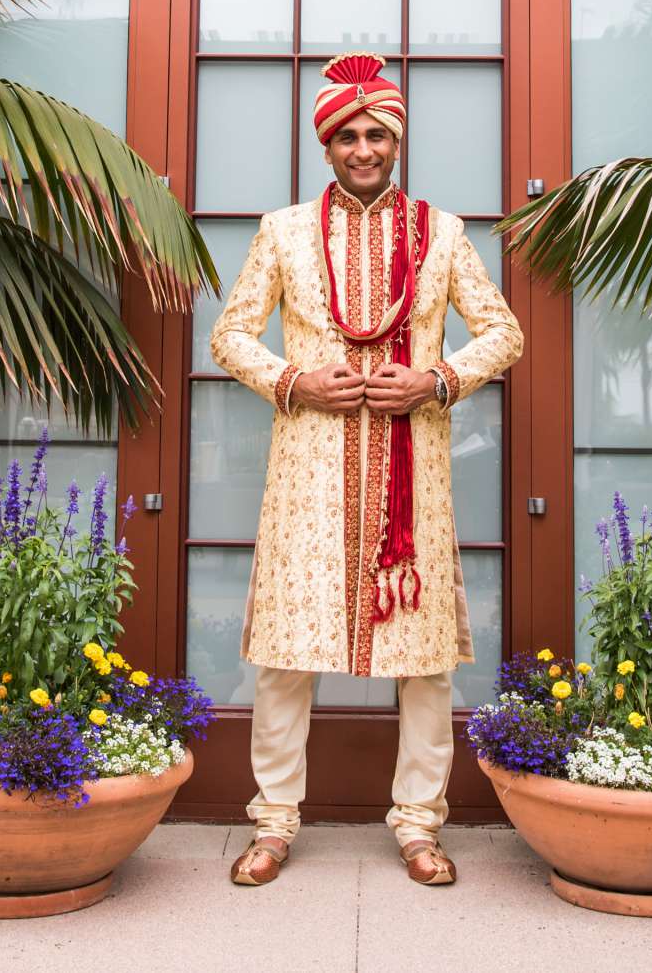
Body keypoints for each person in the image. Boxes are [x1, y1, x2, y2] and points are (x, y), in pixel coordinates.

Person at [209, 53, 524, 888]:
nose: (363, 147)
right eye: (347, 135)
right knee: (285, 655)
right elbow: (230, 336)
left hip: (410, 473)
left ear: (397, 139)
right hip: (308, 474)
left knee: (422, 665)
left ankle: (419, 824)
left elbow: (503, 333)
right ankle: (274, 823)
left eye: (376, 132)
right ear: (326, 146)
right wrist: (293, 379)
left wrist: (437, 379)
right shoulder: (285, 232)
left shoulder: (443, 232)